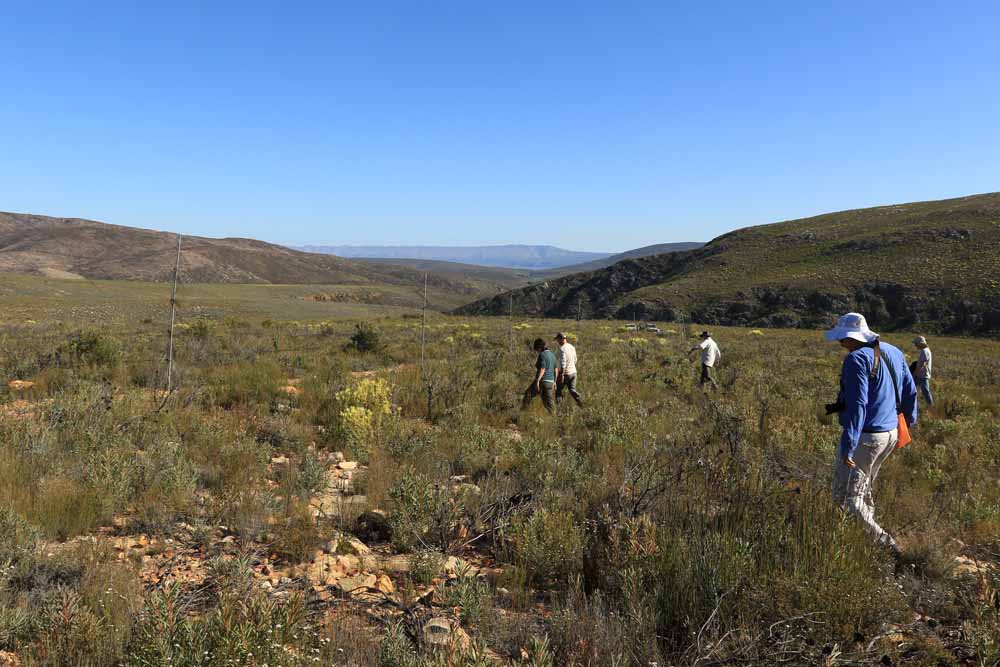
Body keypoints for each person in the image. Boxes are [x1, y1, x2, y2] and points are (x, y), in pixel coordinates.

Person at [825, 312, 917, 553]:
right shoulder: (894, 351)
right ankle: (863, 540)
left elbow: (858, 405)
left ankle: (886, 545)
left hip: (866, 437)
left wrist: (848, 445)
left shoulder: (856, 359)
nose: (840, 343)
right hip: (890, 433)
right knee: (863, 488)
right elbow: (910, 392)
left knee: (846, 496)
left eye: (842, 338)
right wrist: (908, 423)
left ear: (852, 337)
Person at [522, 337, 556, 413]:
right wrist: (554, 381)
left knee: (528, 394)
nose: (537, 351)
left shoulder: (542, 355)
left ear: (539, 348)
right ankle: (555, 417)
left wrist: (537, 381)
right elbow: (556, 369)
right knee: (548, 402)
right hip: (550, 381)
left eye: (537, 349)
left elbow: (542, 369)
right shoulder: (552, 355)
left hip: (542, 381)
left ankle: (523, 413)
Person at [554, 332, 583, 406]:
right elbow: (575, 360)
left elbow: (563, 363)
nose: (557, 341)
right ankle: (581, 402)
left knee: (558, 390)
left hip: (565, 374)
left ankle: (559, 407)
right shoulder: (571, 347)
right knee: (572, 390)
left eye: (557, 340)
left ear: (561, 339)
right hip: (574, 372)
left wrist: (561, 375)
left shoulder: (562, 349)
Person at [911, 336, 934, 406]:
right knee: (911, 388)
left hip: (923, 375)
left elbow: (923, 364)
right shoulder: (925, 350)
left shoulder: (925, 351)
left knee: (926, 391)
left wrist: (915, 372)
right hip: (920, 375)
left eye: (916, 344)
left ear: (920, 343)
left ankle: (931, 406)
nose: (915, 345)